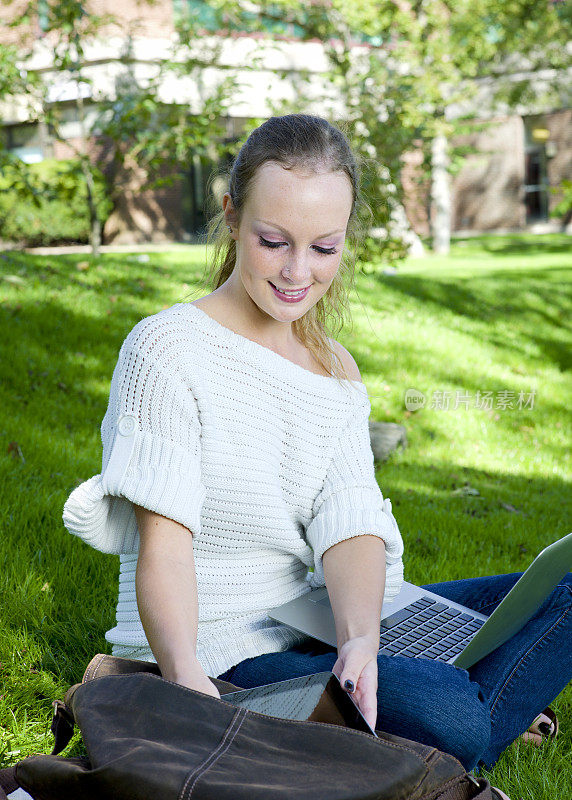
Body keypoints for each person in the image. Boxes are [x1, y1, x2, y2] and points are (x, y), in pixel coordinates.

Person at [62, 113, 572, 774]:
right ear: (231, 216)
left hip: (309, 616)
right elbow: (166, 547)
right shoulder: (167, 349)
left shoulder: (334, 367)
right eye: (274, 241)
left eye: (324, 248)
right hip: (220, 650)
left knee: (558, 587)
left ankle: (416, 688)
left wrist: (360, 640)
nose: (297, 272)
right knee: (452, 715)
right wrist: (189, 684)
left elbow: (350, 521)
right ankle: (470, 710)